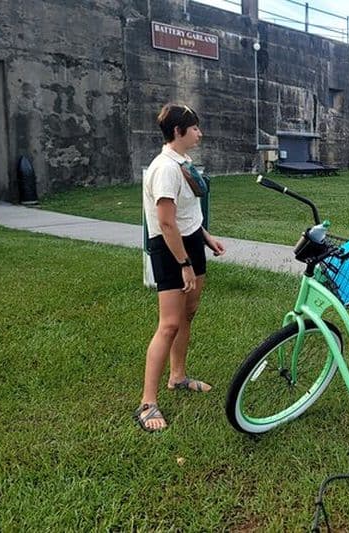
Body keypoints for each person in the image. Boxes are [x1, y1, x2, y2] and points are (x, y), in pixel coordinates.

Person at [134, 103, 226, 432]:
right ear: (178, 132)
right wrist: (184, 264)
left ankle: (178, 377)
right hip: (171, 248)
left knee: (188, 313)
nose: (200, 133)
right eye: (195, 128)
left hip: (190, 242)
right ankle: (147, 402)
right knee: (169, 324)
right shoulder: (165, 168)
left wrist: (205, 237)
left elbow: (186, 214)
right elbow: (166, 223)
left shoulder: (183, 162)